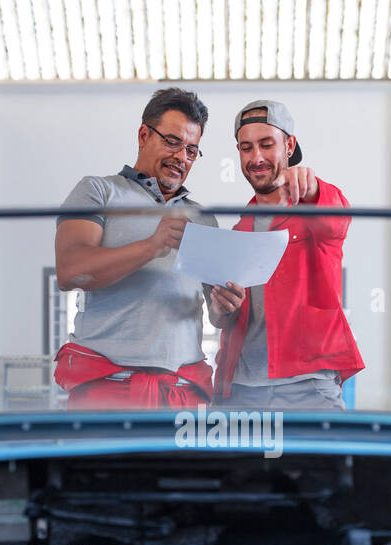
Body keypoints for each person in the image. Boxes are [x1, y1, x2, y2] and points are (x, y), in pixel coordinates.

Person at [53, 88, 246, 408]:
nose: (181, 157)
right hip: (107, 391)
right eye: (172, 142)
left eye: (191, 150)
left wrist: (226, 308)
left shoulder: (202, 218)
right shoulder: (99, 191)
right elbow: (70, 271)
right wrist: (152, 245)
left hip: (182, 393)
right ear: (144, 134)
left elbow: (217, 316)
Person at [211, 100, 363, 410]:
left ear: (289, 144)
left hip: (307, 387)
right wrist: (222, 309)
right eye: (246, 148)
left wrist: (313, 191)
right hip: (240, 389)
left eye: (267, 145)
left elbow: (337, 221)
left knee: (321, 461)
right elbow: (227, 319)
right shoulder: (239, 230)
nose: (256, 158)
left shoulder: (314, 207)